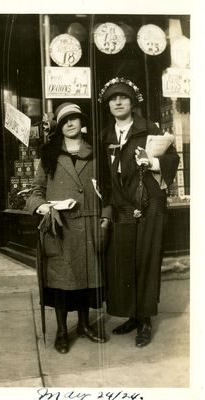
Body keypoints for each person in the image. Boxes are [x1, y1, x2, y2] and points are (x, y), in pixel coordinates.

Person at [98, 77, 179, 347]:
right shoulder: (105, 136)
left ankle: (145, 320)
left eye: (123, 98)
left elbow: (173, 158)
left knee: (146, 261)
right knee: (124, 262)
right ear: (108, 105)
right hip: (121, 207)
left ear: (132, 103)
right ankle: (132, 315)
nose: (118, 102)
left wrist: (153, 161)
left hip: (149, 206)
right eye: (113, 99)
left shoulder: (149, 129)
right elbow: (103, 175)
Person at [27, 102, 112, 354]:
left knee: (86, 281)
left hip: (89, 226)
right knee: (63, 283)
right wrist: (41, 207)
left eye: (74, 118)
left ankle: (84, 325)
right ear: (60, 126)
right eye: (65, 121)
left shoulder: (95, 152)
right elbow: (36, 192)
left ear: (81, 122)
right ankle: (62, 331)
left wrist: (105, 218)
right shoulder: (49, 155)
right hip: (60, 228)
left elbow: (107, 192)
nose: (70, 124)